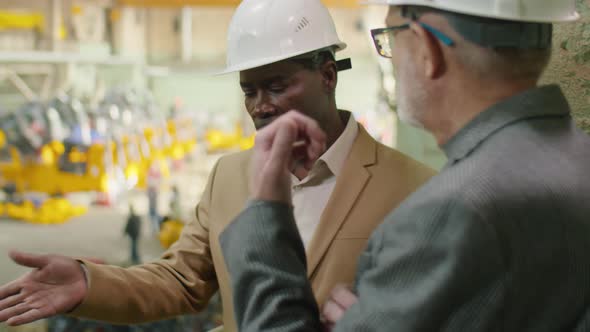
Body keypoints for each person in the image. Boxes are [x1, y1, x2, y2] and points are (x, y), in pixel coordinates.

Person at [0, 0, 434, 331]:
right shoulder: (229, 176)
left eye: (277, 86)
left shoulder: (415, 190)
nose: (261, 106)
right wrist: (89, 282)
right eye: (249, 91)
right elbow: (181, 279)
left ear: (327, 75)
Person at [218, 0, 590, 331]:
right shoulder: (577, 160)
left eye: (390, 38)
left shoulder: (449, 212)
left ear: (427, 48)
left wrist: (267, 209)